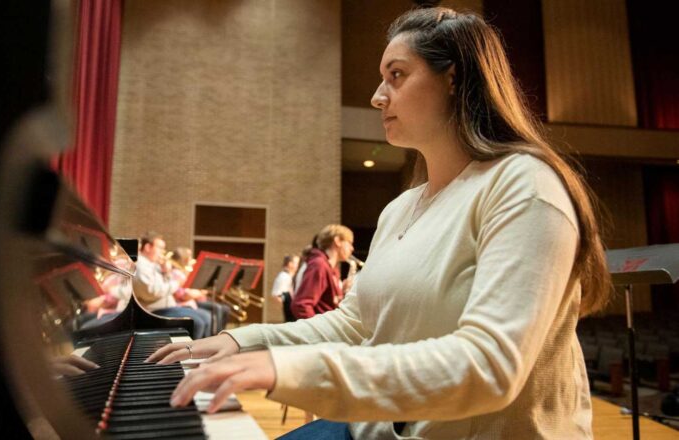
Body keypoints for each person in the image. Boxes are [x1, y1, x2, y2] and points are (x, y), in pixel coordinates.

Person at [145, 7, 612, 439]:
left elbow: (489, 367)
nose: (376, 96)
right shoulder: (401, 208)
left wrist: (287, 370)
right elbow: (355, 324)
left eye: (397, 75)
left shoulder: (524, 185)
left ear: (455, 77)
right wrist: (240, 341)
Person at [134, 232, 212, 339]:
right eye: (160, 248)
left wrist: (166, 272)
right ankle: (188, 353)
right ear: (148, 247)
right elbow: (151, 292)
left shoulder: (153, 264)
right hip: (152, 312)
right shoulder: (140, 266)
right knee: (197, 322)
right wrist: (176, 283)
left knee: (206, 316)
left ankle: (202, 352)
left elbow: (163, 285)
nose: (163, 252)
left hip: (165, 307)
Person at [290, 225, 354, 320]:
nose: (352, 248)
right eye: (349, 243)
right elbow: (301, 305)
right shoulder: (319, 265)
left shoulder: (332, 269)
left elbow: (327, 304)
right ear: (337, 241)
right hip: (321, 331)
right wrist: (317, 332)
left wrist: (343, 293)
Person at [169, 246, 230, 334]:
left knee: (219, 309)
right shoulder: (176, 273)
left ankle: (215, 339)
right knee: (211, 313)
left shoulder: (184, 272)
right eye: (189, 256)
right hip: (183, 305)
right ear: (184, 259)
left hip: (192, 303)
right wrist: (200, 292)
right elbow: (184, 295)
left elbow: (193, 291)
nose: (191, 259)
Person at [271, 254, 300, 322]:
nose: (298, 265)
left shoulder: (290, 276)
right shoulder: (283, 277)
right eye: (297, 263)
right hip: (290, 313)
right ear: (290, 264)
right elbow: (277, 296)